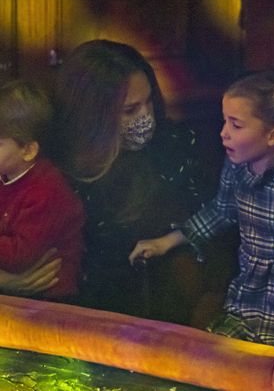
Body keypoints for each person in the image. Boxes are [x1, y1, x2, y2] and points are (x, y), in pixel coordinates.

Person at [129, 70, 274, 352]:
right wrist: (166, 241)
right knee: (213, 354)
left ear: (273, 135)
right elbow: (222, 210)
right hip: (253, 293)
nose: (223, 133)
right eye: (224, 121)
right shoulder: (236, 166)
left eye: (236, 125)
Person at [50, 39, 225, 322]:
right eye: (130, 110)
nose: (146, 117)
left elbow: (214, 226)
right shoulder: (60, 172)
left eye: (149, 103)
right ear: (93, 115)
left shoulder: (176, 147)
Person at [0, 80, 85, 301]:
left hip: (51, 299)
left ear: (28, 150)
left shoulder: (47, 192)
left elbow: (20, 256)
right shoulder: (7, 173)